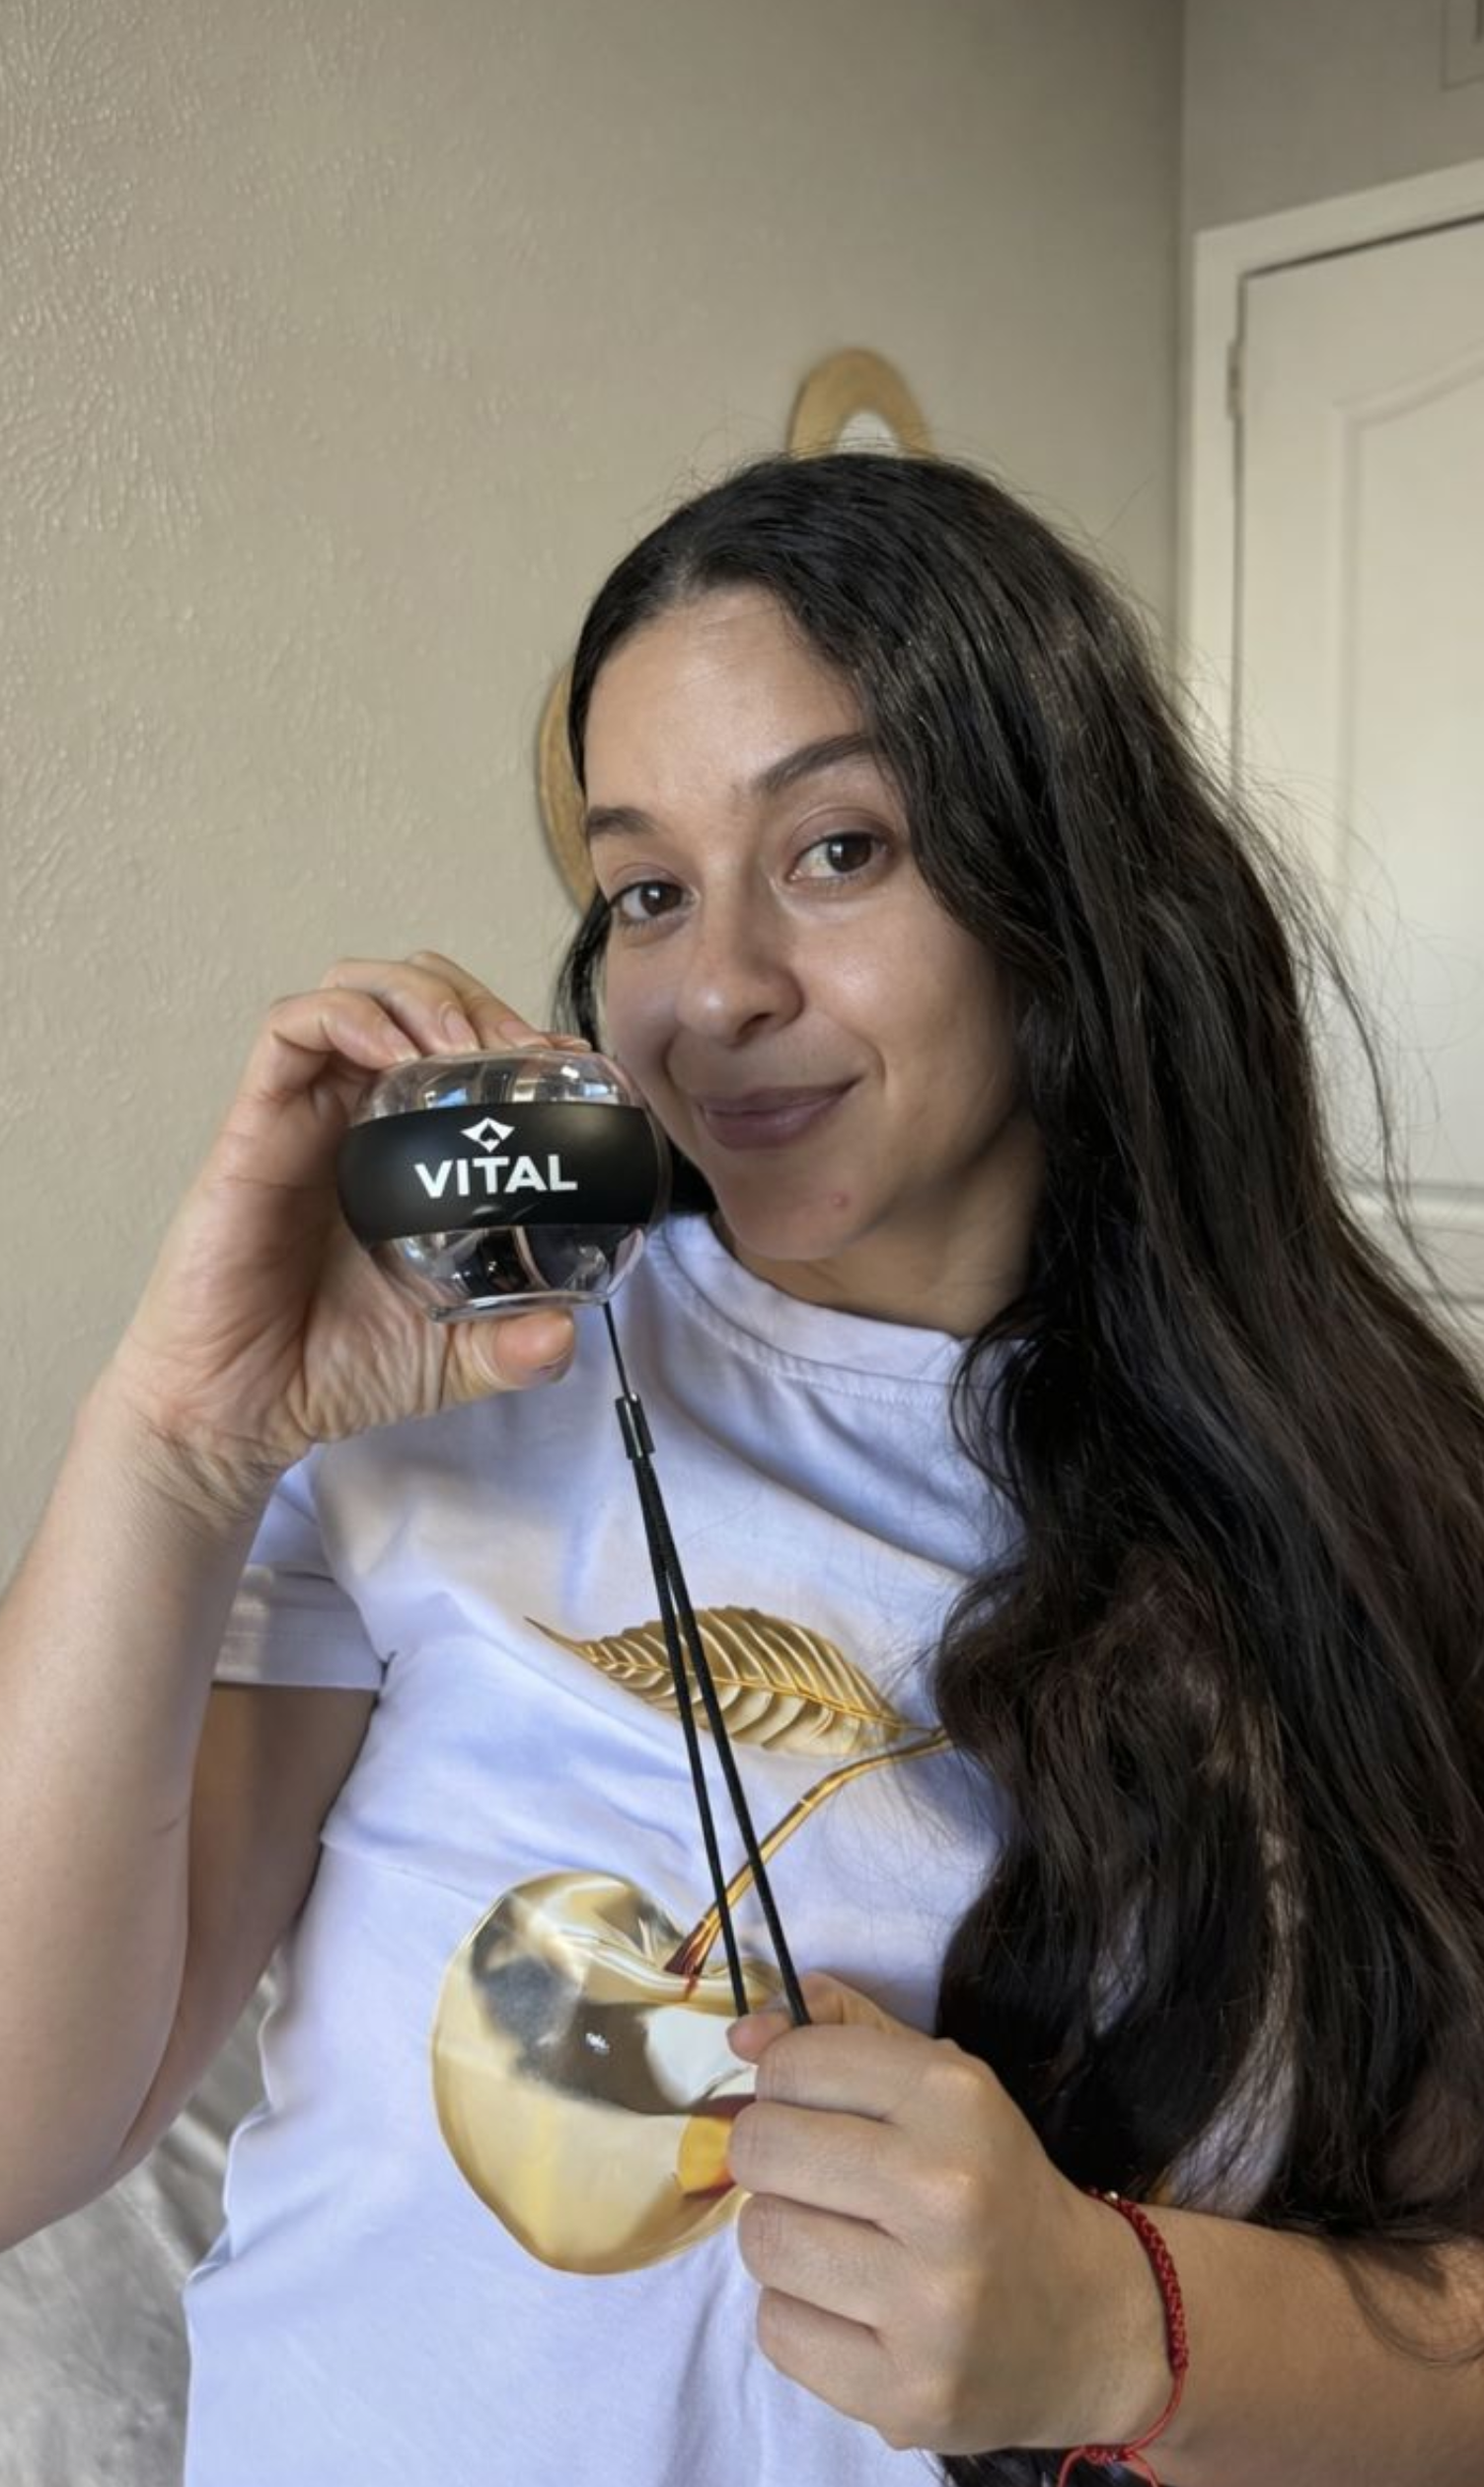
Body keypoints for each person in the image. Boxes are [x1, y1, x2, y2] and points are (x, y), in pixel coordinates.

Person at [3, 450, 1484, 2487]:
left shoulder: (1379, 1502)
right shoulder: (458, 1403)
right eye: (644, 889)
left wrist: (1120, 2328)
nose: (714, 995)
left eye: (839, 847)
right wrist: (176, 1436)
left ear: (1062, 883)